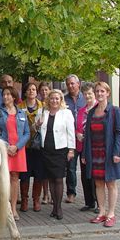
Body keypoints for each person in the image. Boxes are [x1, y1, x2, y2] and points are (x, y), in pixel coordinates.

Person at [83, 82, 120, 228]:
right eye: (97, 91)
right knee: (98, 183)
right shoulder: (91, 112)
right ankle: (101, 212)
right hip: (94, 152)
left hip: (109, 153)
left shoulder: (115, 111)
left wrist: (116, 152)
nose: (99, 94)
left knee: (111, 183)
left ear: (108, 93)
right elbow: (87, 134)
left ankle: (111, 213)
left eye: (102, 91)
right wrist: (85, 154)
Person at [0, 86, 29, 220]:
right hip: (4, 149)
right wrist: (7, 146)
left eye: (8, 94)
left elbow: (27, 133)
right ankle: (2, 208)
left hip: (18, 150)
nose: (5, 97)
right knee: (2, 178)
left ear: (13, 97)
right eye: (4, 94)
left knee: (14, 179)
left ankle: (13, 209)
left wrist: (17, 146)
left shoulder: (21, 113)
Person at [38, 89, 76, 220]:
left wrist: (71, 150)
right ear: (48, 99)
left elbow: (71, 132)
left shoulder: (66, 113)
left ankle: (58, 207)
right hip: (46, 150)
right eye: (52, 98)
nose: (54, 101)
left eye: (57, 99)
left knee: (59, 179)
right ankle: (54, 208)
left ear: (61, 100)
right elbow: (35, 128)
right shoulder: (43, 111)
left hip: (60, 150)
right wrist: (37, 124)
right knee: (50, 179)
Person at [17, 82, 45, 212]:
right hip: (25, 146)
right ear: (25, 92)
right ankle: (24, 200)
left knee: (39, 174)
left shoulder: (43, 107)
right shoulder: (19, 107)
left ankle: (36, 200)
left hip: (39, 146)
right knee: (24, 175)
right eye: (29, 89)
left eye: (34, 89)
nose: (31, 91)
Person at [63, 74, 86, 203]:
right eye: (68, 84)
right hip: (70, 139)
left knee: (85, 167)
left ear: (78, 84)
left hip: (84, 138)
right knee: (70, 168)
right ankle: (71, 192)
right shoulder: (64, 100)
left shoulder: (85, 98)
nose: (70, 86)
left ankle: (90, 194)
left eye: (73, 83)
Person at [77, 82, 98, 213]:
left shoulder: (99, 108)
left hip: (95, 147)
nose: (87, 96)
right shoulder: (81, 111)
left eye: (90, 93)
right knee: (85, 175)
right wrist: (77, 133)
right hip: (83, 147)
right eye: (85, 94)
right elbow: (77, 126)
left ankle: (98, 202)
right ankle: (89, 202)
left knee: (95, 176)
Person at [36, 81, 52, 203]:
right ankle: (45, 194)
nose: (44, 92)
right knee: (44, 172)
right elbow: (35, 128)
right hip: (43, 144)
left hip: (55, 144)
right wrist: (37, 124)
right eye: (42, 90)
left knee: (54, 172)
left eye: (46, 90)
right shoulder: (40, 109)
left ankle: (53, 194)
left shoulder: (58, 108)